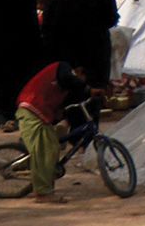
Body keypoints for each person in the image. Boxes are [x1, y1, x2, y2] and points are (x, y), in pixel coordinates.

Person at [16, 59, 91, 204]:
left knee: (54, 144)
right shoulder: (62, 68)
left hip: (39, 112)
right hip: (32, 109)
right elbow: (70, 80)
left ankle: (44, 183)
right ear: (80, 72)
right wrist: (87, 88)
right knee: (46, 150)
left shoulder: (63, 86)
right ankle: (43, 193)